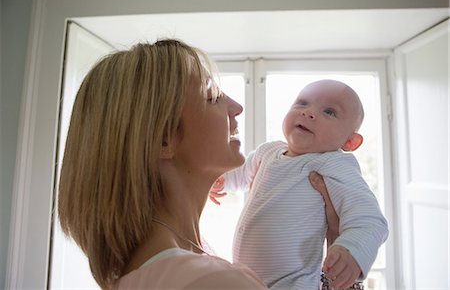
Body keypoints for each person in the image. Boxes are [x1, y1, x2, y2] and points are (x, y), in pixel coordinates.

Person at [57, 39, 338, 290]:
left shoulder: (137, 273)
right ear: (164, 139)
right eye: (212, 96)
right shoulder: (215, 282)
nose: (237, 106)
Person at [210, 79, 389, 289]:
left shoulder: (333, 163)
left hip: (293, 282)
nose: (308, 113)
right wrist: (220, 179)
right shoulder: (268, 151)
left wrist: (351, 250)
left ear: (350, 142)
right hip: (245, 279)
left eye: (329, 112)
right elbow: (240, 174)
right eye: (302, 103)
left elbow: (371, 219)